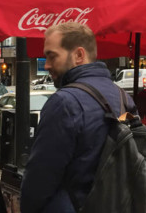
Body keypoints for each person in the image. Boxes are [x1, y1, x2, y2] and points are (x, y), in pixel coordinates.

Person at [20, 22, 137, 213]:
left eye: (52, 56)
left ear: (79, 55)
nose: (47, 65)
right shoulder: (124, 97)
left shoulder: (64, 102)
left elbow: (40, 178)